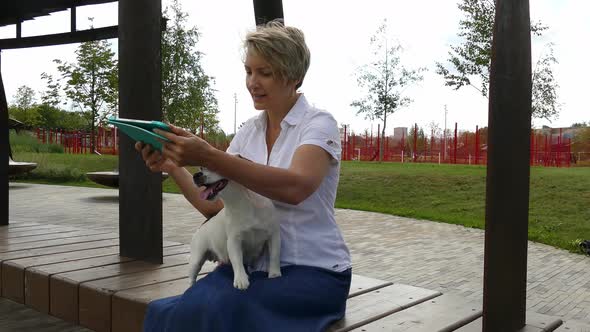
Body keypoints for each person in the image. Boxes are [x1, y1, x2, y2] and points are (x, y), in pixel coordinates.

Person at [139, 20, 351, 332]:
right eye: (249, 71)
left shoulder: (318, 124)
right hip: (252, 270)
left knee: (221, 310)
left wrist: (210, 156)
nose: (253, 81)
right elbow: (215, 207)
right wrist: (174, 164)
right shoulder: (249, 132)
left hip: (314, 272)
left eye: (265, 72)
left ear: (295, 76)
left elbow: (296, 186)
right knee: (170, 312)